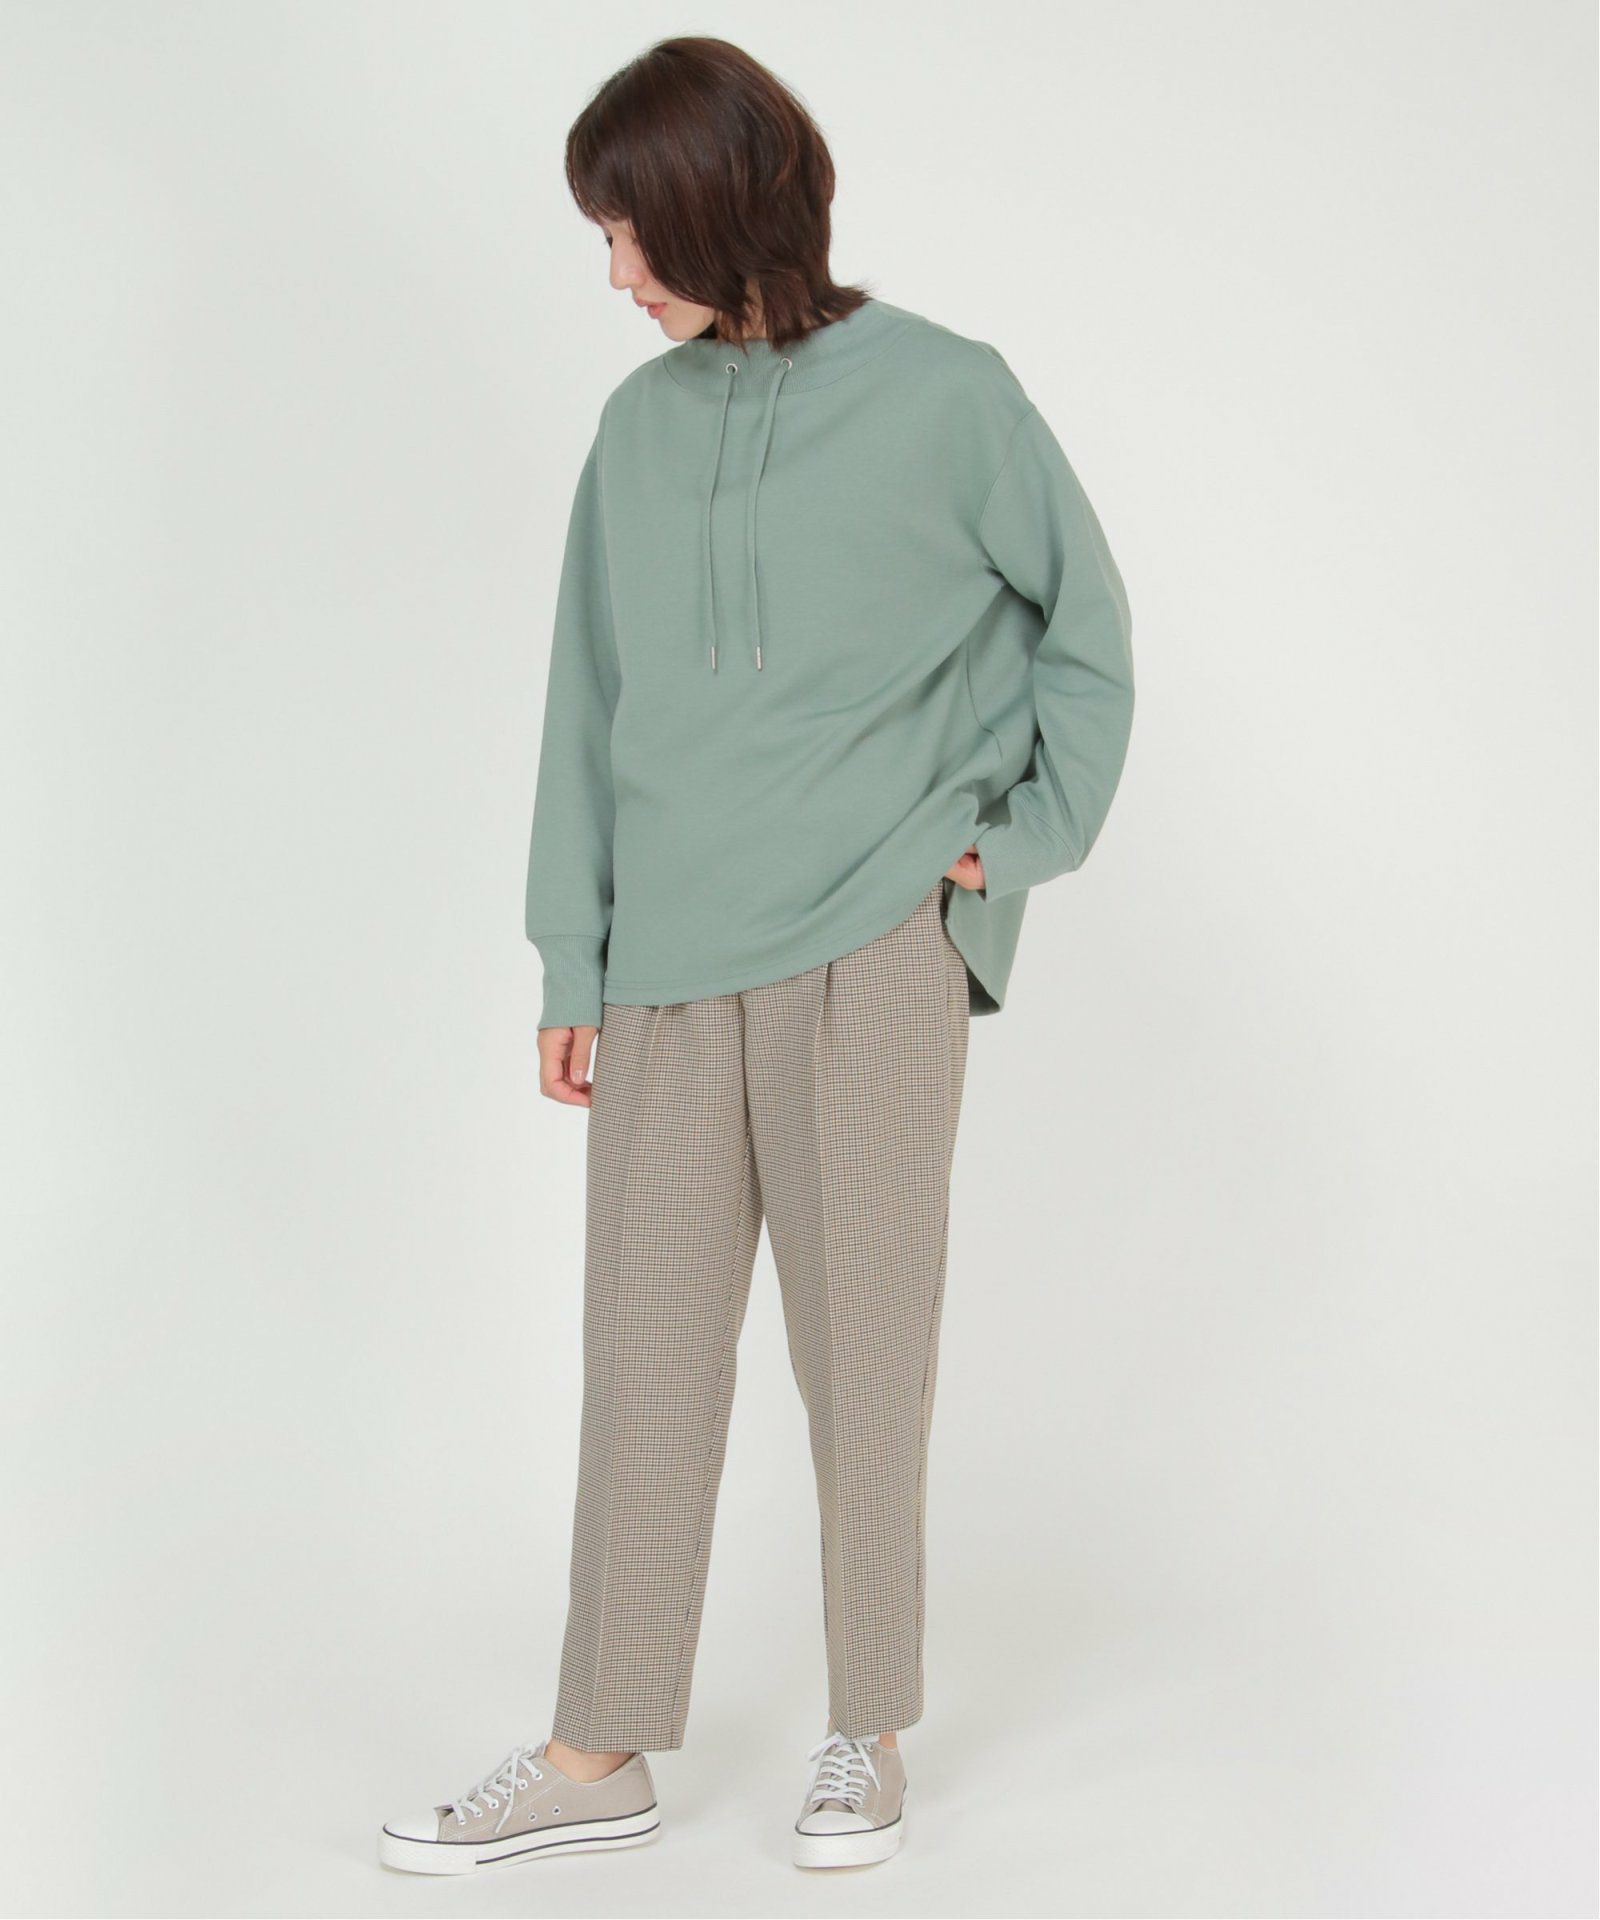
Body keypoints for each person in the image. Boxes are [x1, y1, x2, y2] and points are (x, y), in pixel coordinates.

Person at [378, 33, 1134, 1877]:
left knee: (863, 1359)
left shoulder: (949, 397)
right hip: (662, 970)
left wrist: (1007, 851)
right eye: (604, 236)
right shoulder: (635, 433)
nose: (613, 272)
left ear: (724, 206)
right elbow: (588, 706)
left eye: (630, 231)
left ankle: (867, 1727)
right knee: (643, 1363)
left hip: (873, 949)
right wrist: (571, 959)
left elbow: (1089, 639)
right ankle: (598, 1745)